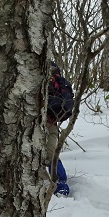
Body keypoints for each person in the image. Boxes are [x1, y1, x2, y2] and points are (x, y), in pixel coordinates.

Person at [45, 62, 74, 199]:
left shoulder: (59, 84)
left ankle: (59, 184)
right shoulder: (61, 84)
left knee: (51, 155)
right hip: (50, 123)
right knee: (50, 154)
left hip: (49, 123)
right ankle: (57, 183)